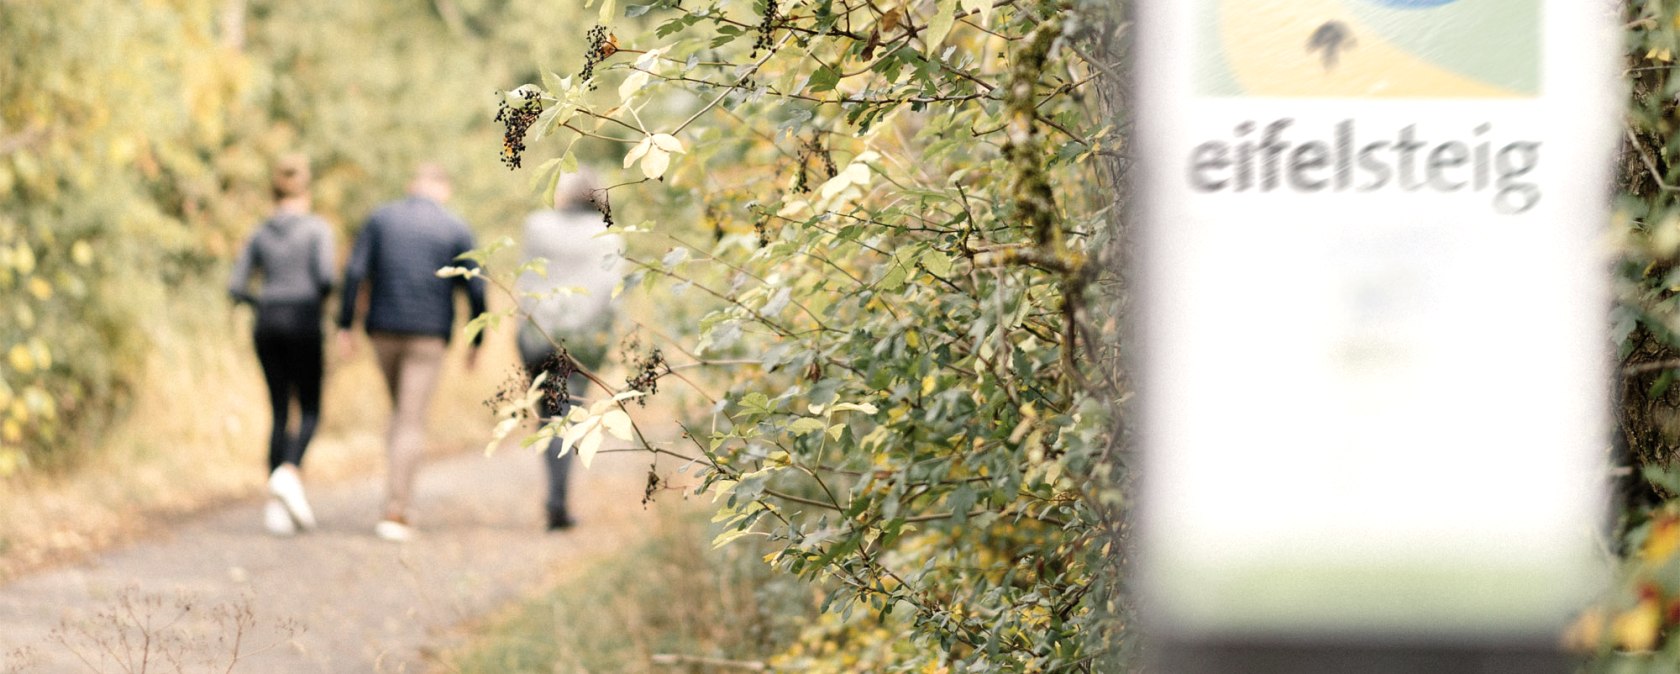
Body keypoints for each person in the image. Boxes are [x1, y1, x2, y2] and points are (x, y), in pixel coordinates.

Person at [337, 163, 486, 541]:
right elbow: (476, 288)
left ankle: (396, 497)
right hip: (428, 337)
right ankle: (397, 510)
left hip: (382, 331)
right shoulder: (454, 226)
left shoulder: (381, 219)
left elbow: (355, 272)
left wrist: (344, 325)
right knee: (409, 419)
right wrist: (476, 342)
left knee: (401, 415)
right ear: (444, 190)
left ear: (411, 185)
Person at [228, 153, 334, 536]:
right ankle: (289, 473)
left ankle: (276, 508)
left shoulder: (259, 233)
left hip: (267, 323)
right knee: (309, 408)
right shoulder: (317, 229)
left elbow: (236, 286)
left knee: (277, 410)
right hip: (304, 321)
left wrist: (265, 302)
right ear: (305, 193)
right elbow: (325, 277)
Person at [514, 169, 624, 531]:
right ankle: (557, 499)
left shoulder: (537, 225)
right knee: (568, 413)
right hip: (582, 340)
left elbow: (524, 278)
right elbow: (613, 294)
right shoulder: (609, 236)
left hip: (537, 334)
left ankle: (556, 497)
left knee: (548, 413)